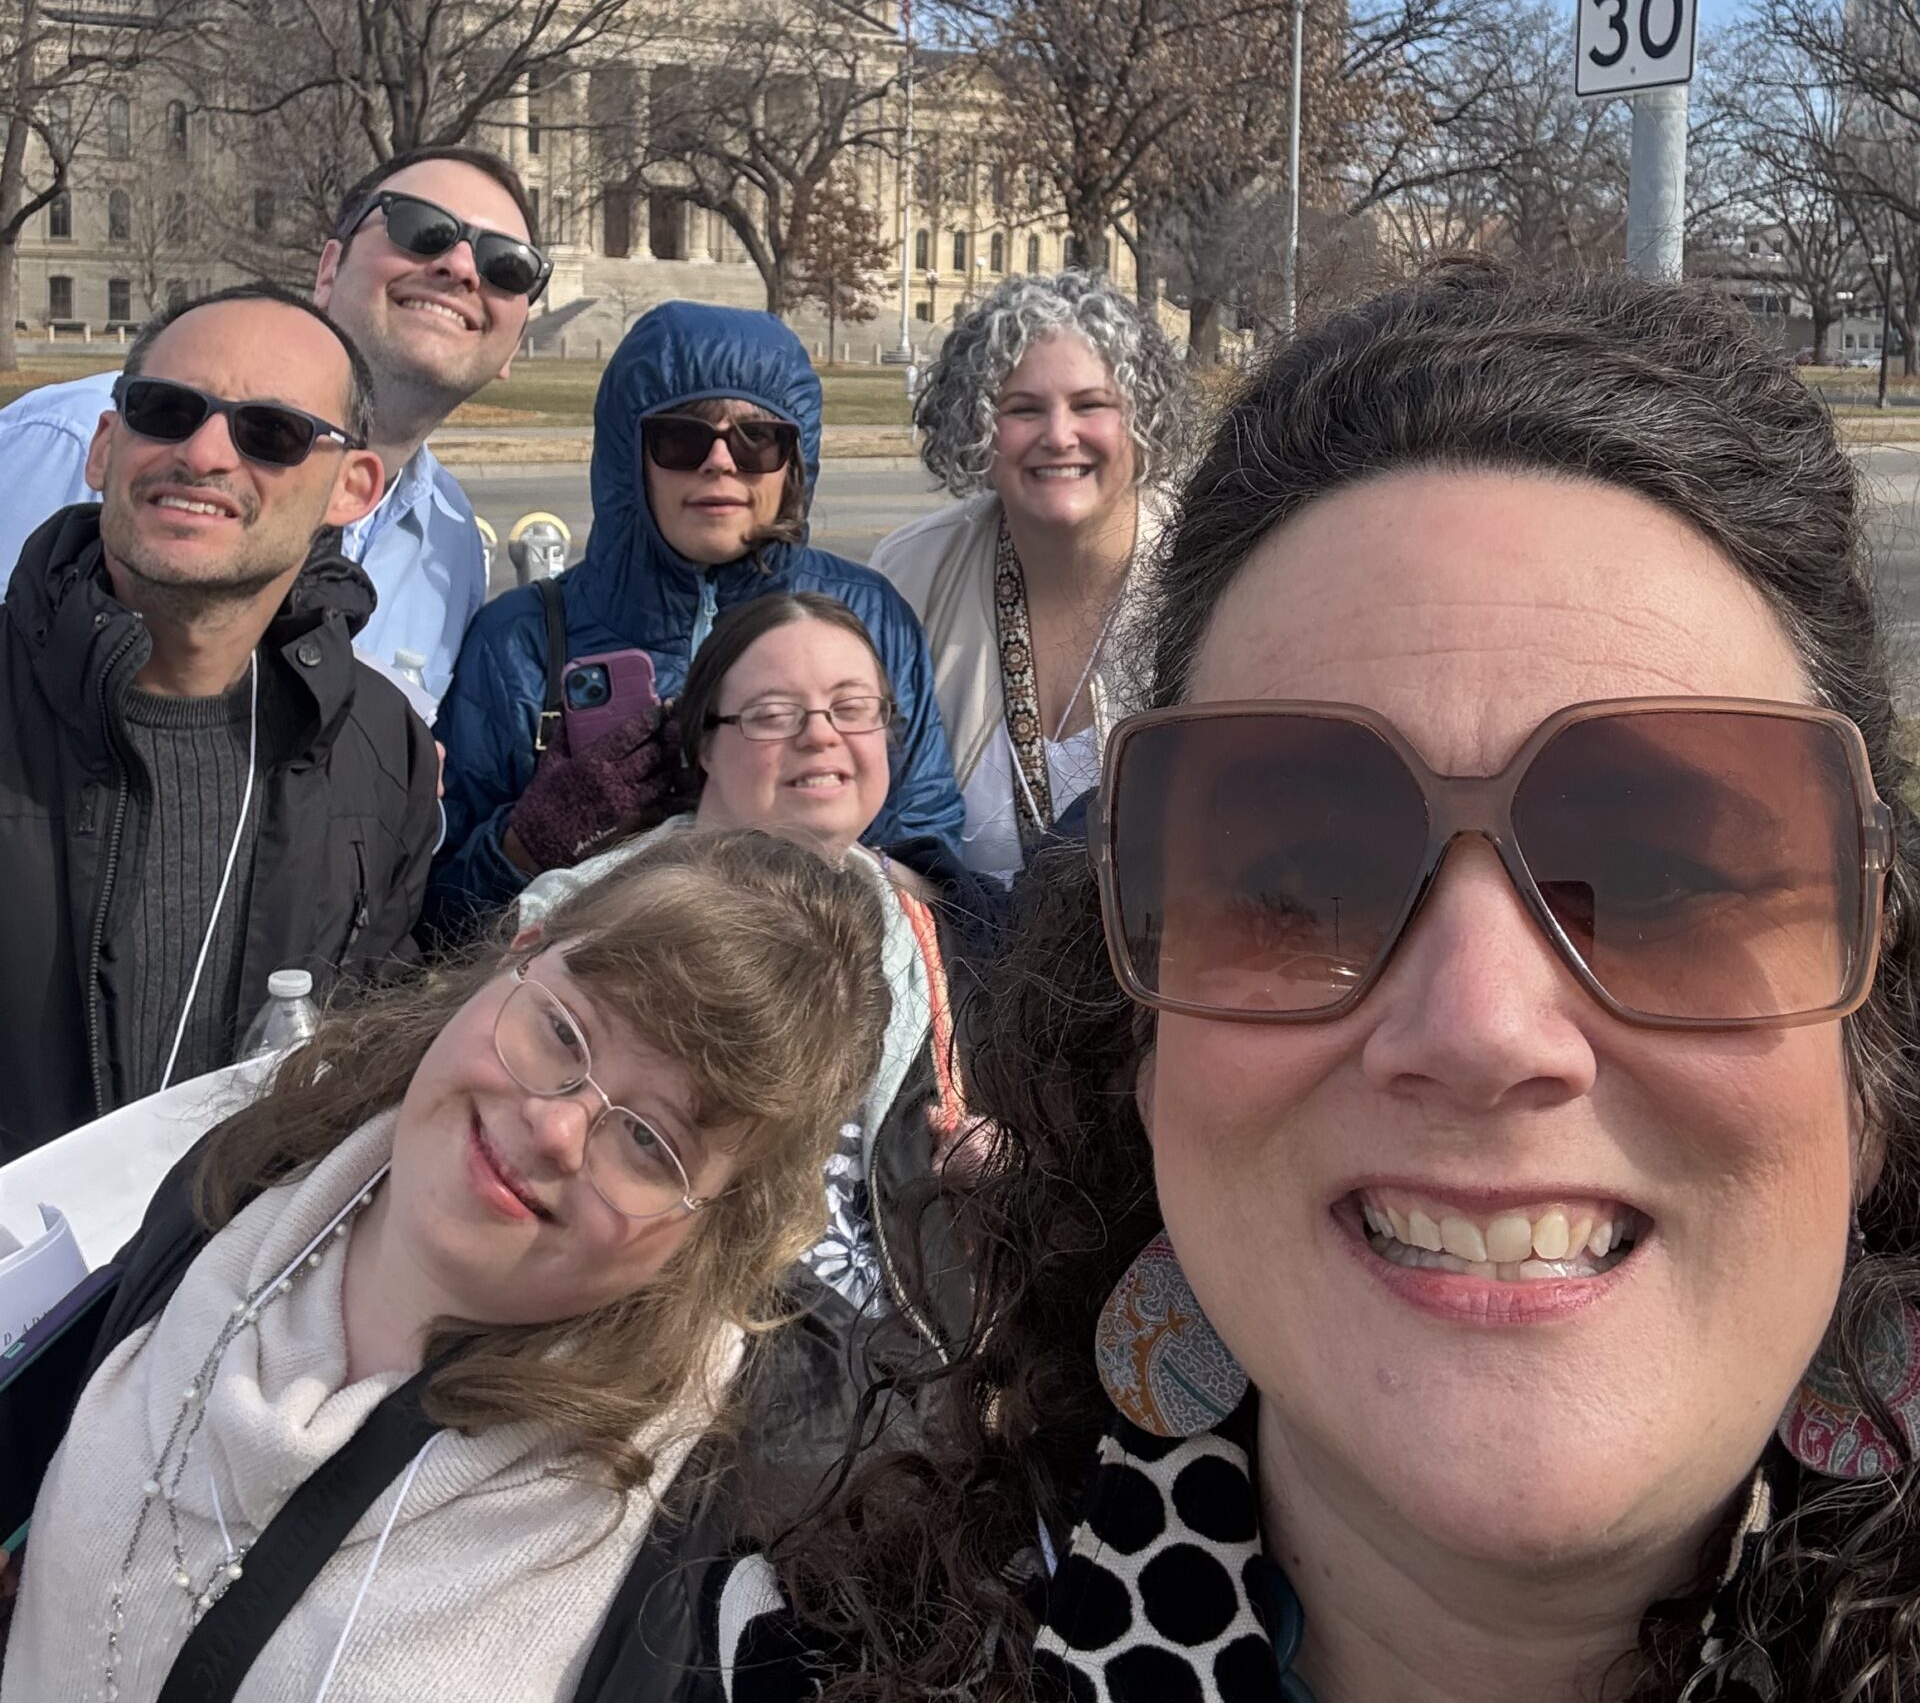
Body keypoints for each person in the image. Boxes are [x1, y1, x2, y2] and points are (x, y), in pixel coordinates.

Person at [718, 265, 1920, 1703]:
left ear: (1873, 1047)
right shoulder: (786, 1663)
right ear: (1145, 1058)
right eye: (1298, 884)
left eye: (1656, 880)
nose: (1480, 1027)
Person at [2, 834, 888, 1703]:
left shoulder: (710, 1537)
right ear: (518, 956)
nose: (557, 1128)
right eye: (563, 1031)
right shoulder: (244, 1177)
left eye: (651, 1142)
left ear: (719, 1225)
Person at [0, 284, 443, 1161]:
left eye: (270, 432)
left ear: (352, 488)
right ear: (105, 446)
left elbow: (359, 1059)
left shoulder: (380, 745)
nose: (203, 453)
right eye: (165, 411)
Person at [519, 590, 976, 1354]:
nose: (820, 735)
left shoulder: (920, 931)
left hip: (905, 1360)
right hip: (690, 1354)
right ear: (702, 744)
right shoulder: (590, 917)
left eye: (852, 708)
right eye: (772, 714)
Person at [431, 301, 966, 927]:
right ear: (631, 456)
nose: (720, 462)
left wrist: (827, 863)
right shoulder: (519, 642)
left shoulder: (868, 621)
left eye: (757, 440)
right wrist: (528, 844)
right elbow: (437, 918)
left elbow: (931, 859)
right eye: (681, 439)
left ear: (796, 461)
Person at [0, 147, 548, 709]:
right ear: (329, 270)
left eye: (508, 265)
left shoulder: (453, 542)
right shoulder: (68, 442)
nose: (461, 267)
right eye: (421, 227)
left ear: (515, 342)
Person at [871, 270, 1188, 880]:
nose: (1059, 436)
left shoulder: (1205, 563)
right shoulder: (910, 576)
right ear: (978, 430)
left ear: (1142, 420)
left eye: (1090, 405)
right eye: (1023, 410)